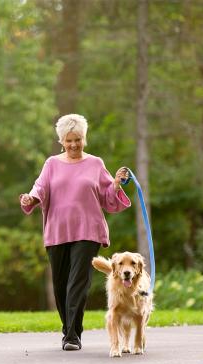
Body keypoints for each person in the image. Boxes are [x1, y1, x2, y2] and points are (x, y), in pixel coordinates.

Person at [19, 113, 131, 351]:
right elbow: (40, 188)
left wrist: (117, 183)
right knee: (60, 286)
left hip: (88, 231)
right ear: (61, 141)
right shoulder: (51, 164)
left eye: (77, 139)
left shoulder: (95, 164)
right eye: (68, 140)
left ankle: (72, 336)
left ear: (84, 139)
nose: (73, 145)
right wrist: (31, 198)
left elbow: (108, 197)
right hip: (57, 231)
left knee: (77, 283)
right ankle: (68, 328)